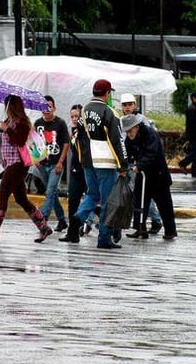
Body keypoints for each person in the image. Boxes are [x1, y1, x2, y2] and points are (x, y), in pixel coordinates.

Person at [68, 79, 131, 249]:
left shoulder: (85, 110)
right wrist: (123, 165)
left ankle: (77, 218)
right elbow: (117, 140)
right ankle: (104, 238)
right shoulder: (110, 112)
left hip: (89, 162)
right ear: (107, 93)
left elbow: (77, 137)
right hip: (106, 162)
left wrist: (82, 160)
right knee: (107, 201)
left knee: (92, 194)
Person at [0, 94, 53, 244]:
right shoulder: (8, 121)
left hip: (18, 164)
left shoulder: (22, 123)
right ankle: (43, 226)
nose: (5, 108)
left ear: (12, 106)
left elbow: (19, 141)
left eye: (6, 105)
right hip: (9, 163)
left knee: (2, 195)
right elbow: (3, 137)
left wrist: (7, 129)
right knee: (21, 199)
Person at [122, 113, 177, 239]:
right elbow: (127, 151)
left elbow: (151, 153)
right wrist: (125, 164)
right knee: (139, 201)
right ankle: (140, 228)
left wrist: (139, 165)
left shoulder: (149, 133)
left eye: (130, 130)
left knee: (164, 204)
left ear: (136, 127)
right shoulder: (130, 138)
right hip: (143, 174)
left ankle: (170, 230)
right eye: (127, 131)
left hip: (158, 174)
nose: (129, 134)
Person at [119, 92, 163, 233]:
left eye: (130, 104)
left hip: (141, 164)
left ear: (135, 105)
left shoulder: (141, 120)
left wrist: (140, 163)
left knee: (142, 194)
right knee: (136, 194)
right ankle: (146, 223)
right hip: (130, 162)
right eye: (124, 105)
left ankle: (154, 220)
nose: (127, 107)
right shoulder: (121, 120)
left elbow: (148, 142)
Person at [35, 95, 70, 232]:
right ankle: (62, 220)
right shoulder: (37, 123)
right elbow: (33, 142)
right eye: (44, 107)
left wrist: (61, 162)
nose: (46, 109)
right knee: (52, 193)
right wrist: (36, 159)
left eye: (49, 106)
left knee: (49, 192)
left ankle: (43, 219)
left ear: (54, 108)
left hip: (56, 164)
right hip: (43, 164)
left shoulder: (60, 123)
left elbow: (66, 143)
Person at [60, 104, 89, 243]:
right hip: (75, 171)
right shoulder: (74, 132)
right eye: (72, 116)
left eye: (77, 116)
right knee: (73, 202)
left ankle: (111, 228)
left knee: (93, 202)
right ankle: (72, 233)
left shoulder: (86, 131)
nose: (74, 119)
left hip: (87, 171)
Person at [178, 91, 196, 177]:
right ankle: (183, 163)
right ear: (193, 98)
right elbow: (192, 124)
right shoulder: (192, 109)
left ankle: (195, 171)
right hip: (194, 135)